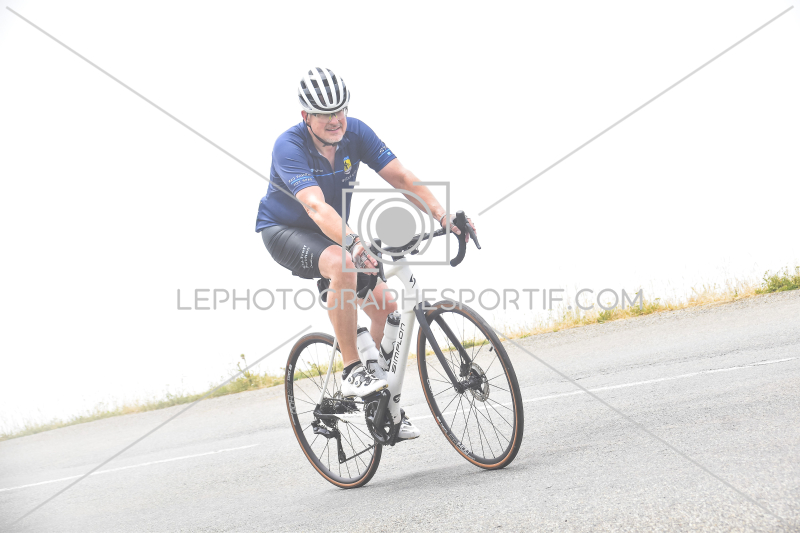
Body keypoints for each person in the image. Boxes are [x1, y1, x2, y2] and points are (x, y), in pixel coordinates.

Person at [255, 67, 475, 441]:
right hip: (285, 231)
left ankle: (378, 402)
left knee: (388, 307)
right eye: (324, 114)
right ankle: (352, 369)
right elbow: (316, 208)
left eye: (340, 110)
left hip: (336, 231)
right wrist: (355, 244)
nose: (335, 120)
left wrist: (442, 215)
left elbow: (401, 177)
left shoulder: (355, 133)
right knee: (342, 262)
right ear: (305, 116)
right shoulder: (288, 146)